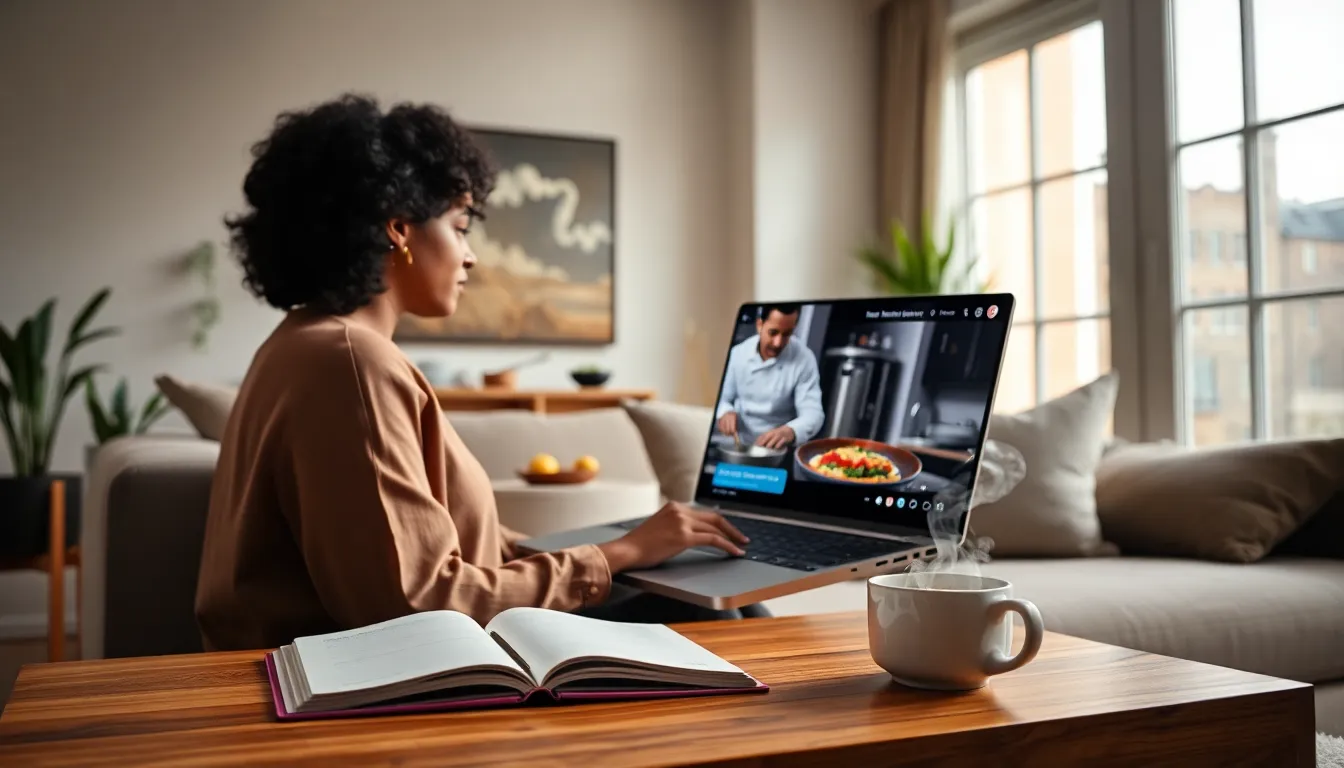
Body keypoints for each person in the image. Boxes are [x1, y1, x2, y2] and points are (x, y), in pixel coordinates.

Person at [194, 94, 760, 652]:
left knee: (712, 590)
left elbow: (423, 548)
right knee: (724, 611)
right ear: (399, 229)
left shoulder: (301, 343)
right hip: (371, 678)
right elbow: (412, 604)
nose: (470, 256)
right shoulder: (350, 362)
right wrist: (618, 555)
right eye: (460, 226)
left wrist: (612, 549)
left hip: (358, 654)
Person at [715, 305, 825, 450]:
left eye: (787, 334)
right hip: (741, 443)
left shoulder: (804, 358)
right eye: (773, 333)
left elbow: (813, 413)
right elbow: (722, 399)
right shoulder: (737, 354)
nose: (778, 342)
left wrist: (791, 431)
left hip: (779, 449)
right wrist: (725, 412)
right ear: (760, 325)